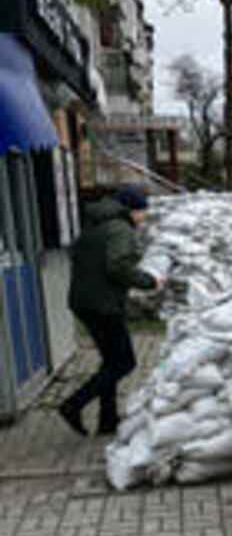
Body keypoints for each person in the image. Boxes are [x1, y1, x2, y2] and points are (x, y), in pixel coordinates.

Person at [58, 185, 160, 437]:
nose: (144, 216)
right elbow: (117, 266)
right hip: (102, 304)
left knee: (110, 362)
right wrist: (149, 281)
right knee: (125, 362)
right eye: (142, 210)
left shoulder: (96, 224)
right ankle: (73, 405)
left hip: (84, 302)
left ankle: (108, 420)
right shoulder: (120, 228)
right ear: (130, 209)